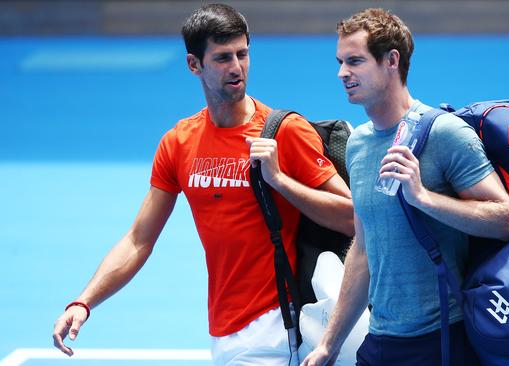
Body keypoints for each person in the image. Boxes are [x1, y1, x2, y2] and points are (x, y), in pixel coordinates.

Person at [51, 4, 354, 366]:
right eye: (223, 58)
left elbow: (354, 218)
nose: (237, 67)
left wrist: (279, 180)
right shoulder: (178, 142)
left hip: (277, 325)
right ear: (195, 65)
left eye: (243, 54)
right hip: (222, 328)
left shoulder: (284, 132)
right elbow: (138, 239)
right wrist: (84, 301)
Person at [301, 8, 509, 366]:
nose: (342, 73)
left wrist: (424, 198)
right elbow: (363, 248)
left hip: (443, 340)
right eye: (340, 62)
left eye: (355, 61)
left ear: (392, 60)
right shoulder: (357, 145)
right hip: (382, 341)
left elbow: (504, 220)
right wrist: (330, 343)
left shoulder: (445, 133)